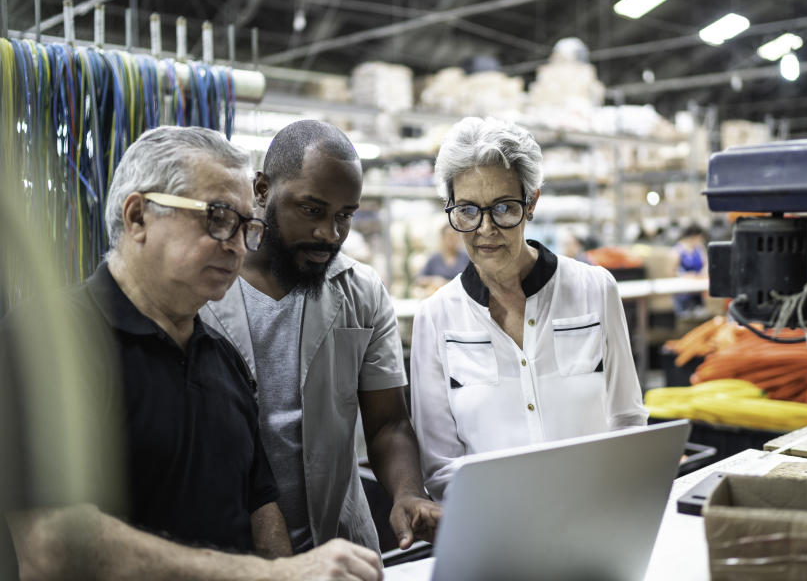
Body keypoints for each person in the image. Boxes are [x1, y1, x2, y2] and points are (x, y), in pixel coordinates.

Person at [5, 126, 382, 580]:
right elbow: (52, 546)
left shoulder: (223, 361)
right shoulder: (50, 342)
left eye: (247, 227)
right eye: (218, 218)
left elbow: (262, 516)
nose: (237, 246)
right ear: (138, 217)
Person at [201, 120, 441, 555]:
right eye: (312, 210)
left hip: (339, 545)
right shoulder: (203, 287)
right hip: (229, 553)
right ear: (262, 189)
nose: (329, 234)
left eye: (344, 216)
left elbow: (388, 422)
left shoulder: (362, 291)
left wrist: (408, 492)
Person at [409, 117, 649, 501]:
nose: (485, 229)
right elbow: (441, 464)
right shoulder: (436, 317)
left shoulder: (594, 290)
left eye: (504, 208)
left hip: (595, 517)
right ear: (450, 208)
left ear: (532, 202)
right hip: (494, 537)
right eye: (468, 211)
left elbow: (627, 419)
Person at [414, 224, 470, 295]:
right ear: (442, 238)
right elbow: (418, 279)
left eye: (455, 235)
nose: (452, 239)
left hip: (462, 297)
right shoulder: (434, 259)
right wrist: (433, 280)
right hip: (439, 297)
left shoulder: (466, 258)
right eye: (449, 236)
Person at [671, 223, 708, 315]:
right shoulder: (677, 251)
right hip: (683, 291)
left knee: (700, 314)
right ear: (693, 236)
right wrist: (685, 276)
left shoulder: (699, 249)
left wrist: (703, 272)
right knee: (685, 315)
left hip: (698, 288)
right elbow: (671, 272)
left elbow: (706, 264)